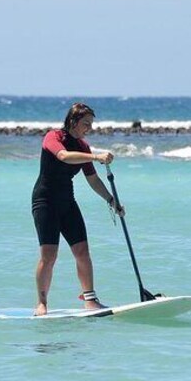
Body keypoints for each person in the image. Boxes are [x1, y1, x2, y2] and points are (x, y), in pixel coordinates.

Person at [31, 102, 122, 316]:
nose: (89, 128)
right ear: (73, 121)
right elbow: (63, 156)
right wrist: (95, 157)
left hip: (67, 203)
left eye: (91, 124)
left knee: (82, 251)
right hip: (45, 202)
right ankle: (42, 303)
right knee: (49, 256)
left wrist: (112, 201)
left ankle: (90, 300)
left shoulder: (83, 146)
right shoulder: (53, 137)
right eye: (86, 124)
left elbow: (93, 180)